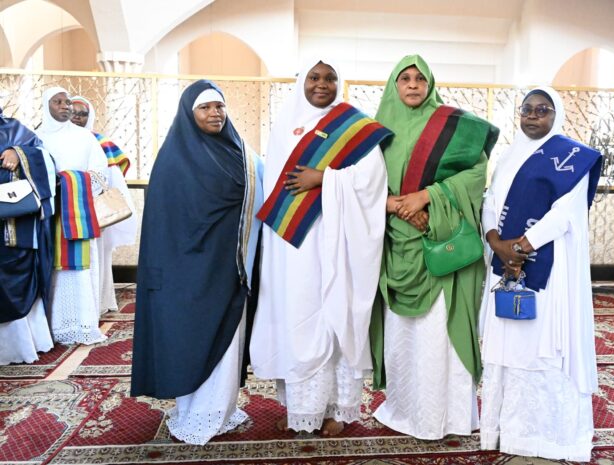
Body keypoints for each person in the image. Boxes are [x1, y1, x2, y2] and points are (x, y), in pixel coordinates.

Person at [250, 59, 391, 436]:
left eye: (330, 78)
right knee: (295, 314)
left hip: (335, 237)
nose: (322, 84)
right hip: (291, 246)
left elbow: (372, 179)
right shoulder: (283, 125)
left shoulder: (354, 126)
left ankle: (335, 412)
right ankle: (301, 408)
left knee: (331, 314)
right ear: (302, 81)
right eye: (314, 77)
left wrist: (323, 178)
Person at [369, 55, 498, 440]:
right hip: (395, 245)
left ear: (431, 84)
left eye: (419, 79)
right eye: (404, 78)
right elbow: (361, 183)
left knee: (438, 333)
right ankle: (406, 408)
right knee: (404, 336)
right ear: (393, 84)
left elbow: (476, 173)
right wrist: (401, 207)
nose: (412, 85)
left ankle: (451, 416)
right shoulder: (375, 131)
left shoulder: (453, 125)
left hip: (441, 243)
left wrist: (428, 197)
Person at [131, 80, 263, 445]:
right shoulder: (174, 159)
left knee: (227, 340)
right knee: (192, 337)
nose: (215, 114)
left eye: (219, 107)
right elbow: (164, 224)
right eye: (205, 108)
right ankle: (196, 412)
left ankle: (219, 411)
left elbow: (266, 190)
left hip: (231, 268)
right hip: (188, 272)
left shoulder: (240, 152)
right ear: (189, 113)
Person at [479, 87, 602, 461]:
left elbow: (565, 214)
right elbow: (490, 204)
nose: (533, 116)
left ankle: (549, 436)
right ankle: (507, 431)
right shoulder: (507, 158)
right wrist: (496, 242)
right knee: (508, 345)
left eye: (542, 110)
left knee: (543, 345)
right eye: (527, 109)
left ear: (556, 115)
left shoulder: (571, 157)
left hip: (550, 268)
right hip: (505, 262)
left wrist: (520, 247)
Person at [36, 87, 109, 345]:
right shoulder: (36, 137)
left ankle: (82, 323)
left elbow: (101, 173)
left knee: (79, 273)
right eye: (58, 102)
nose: (65, 106)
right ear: (47, 106)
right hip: (47, 215)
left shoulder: (85, 137)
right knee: (49, 269)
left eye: (67, 102)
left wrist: (69, 182)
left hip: (77, 213)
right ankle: (50, 327)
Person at [69, 95, 137, 314]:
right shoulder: (56, 139)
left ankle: (96, 305)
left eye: (83, 114)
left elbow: (113, 180)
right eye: (74, 112)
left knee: (96, 257)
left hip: (94, 210)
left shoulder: (100, 142)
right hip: (64, 210)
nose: (77, 118)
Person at [0, 108, 56, 365]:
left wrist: (19, 154)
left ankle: (17, 347)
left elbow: (46, 158)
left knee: (13, 274)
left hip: (10, 225)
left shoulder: (14, 129)